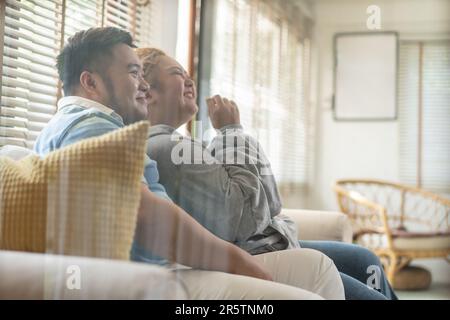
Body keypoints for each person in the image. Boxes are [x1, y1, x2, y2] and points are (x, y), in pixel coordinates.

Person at [34, 27, 345, 300]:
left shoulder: (96, 126)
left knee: (317, 267)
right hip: (147, 277)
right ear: (90, 82)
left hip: (163, 268)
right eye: (133, 73)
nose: (142, 85)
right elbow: (141, 212)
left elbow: (267, 204)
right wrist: (235, 260)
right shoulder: (90, 123)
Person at [136, 47, 398, 300]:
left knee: (366, 260)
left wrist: (230, 136)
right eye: (177, 73)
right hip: (258, 252)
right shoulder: (168, 148)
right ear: (148, 93)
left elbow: (270, 205)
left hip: (272, 242)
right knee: (365, 271)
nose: (189, 80)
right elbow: (249, 217)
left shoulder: (187, 145)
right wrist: (231, 131)